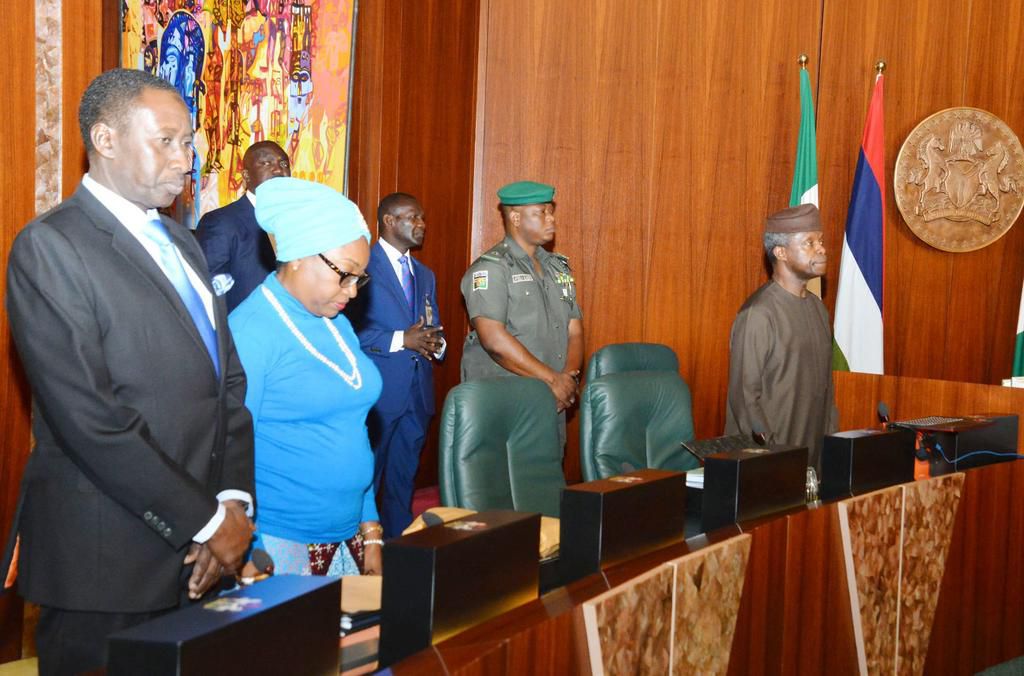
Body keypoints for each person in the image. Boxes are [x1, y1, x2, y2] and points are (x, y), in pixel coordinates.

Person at [5, 68, 254, 675]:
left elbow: (226, 383)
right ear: (106, 140)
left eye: (189, 142)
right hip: (107, 560)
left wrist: (231, 501)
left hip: (204, 555)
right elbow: (92, 420)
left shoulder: (184, 241)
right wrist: (207, 520)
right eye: (166, 141)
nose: (185, 159)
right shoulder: (51, 247)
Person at [229, 177, 385, 577]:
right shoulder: (251, 332)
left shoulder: (335, 321)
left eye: (359, 279)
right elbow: (228, 452)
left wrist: (371, 530)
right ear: (298, 254)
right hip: (282, 545)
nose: (351, 291)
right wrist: (251, 555)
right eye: (344, 274)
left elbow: (354, 426)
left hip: (350, 537)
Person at [349, 193, 445, 538]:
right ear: (388, 221)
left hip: (417, 395)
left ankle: (399, 548)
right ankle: (363, 548)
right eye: (412, 217)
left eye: (422, 219)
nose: (421, 225)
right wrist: (400, 340)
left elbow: (431, 323)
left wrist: (437, 344)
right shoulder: (362, 266)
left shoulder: (425, 274)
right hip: (379, 395)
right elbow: (350, 331)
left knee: (403, 479)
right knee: (368, 478)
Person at [724, 203, 839, 470]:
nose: (821, 249)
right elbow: (745, 401)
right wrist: (774, 458)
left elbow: (826, 391)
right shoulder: (758, 314)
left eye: (820, 241)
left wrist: (831, 449)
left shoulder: (818, 309)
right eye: (809, 242)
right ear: (781, 252)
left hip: (812, 462)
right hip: (767, 465)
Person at [460, 180, 584, 427]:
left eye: (551, 212)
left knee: (547, 464)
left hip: (554, 399)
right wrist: (553, 380)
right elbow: (494, 341)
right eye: (542, 212)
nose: (551, 219)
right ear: (515, 218)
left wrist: (567, 380)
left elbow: (575, 330)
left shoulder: (557, 268)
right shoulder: (490, 269)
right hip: (505, 401)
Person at [196, 140, 290, 311]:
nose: (278, 169)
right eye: (266, 163)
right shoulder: (220, 222)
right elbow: (208, 294)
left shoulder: (297, 222)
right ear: (246, 176)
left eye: (283, 163)